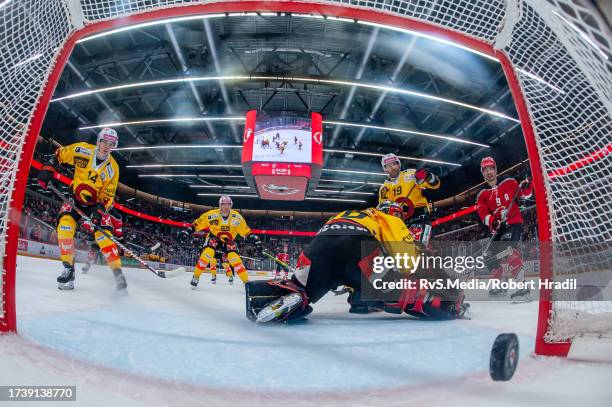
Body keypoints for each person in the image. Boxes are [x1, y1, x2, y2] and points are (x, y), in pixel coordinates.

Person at [245, 200, 468, 323]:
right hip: (357, 245)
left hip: (320, 245)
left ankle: (264, 298)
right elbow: (408, 261)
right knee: (407, 295)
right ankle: (450, 307)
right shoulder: (388, 218)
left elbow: (348, 268)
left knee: (300, 291)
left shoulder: (347, 213)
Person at [37, 128, 127, 291]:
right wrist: (48, 168)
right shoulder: (82, 150)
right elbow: (60, 154)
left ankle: (118, 273)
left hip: (96, 205)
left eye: (111, 144)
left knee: (104, 236)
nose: (107, 146)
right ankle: (68, 270)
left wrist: (99, 211)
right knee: (64, 226)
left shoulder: (113, 168)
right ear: (98, 141)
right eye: (105, 142)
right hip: (75, 199)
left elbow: (108, 195)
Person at [476, 156, 533, 299]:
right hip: (498, 230)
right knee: (488, 258)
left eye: (491, 169)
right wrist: (494, 222)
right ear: (482, 173)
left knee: (510, 252)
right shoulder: (481, 194)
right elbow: (483, 215)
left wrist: (527, 186)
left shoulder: (510, 182)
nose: (489, 172)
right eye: (485, 170)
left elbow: (526, 196)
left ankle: (523, 288)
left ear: (495, 169)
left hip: (513, 223)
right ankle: (501, 286)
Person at [181, 195, 263, 288]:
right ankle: (196, 277)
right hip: (214, 237)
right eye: (223, 204)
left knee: (234, 258)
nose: (226, 206)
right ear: (220, 205)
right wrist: (187, 231)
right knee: (207, 253)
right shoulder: (211, 215)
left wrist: (256, 241)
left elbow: (246, 232)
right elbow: (197, 224)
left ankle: (246, 282)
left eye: (228, 204)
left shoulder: (237, 217)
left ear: (231, 205)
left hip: (229, 240)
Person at [378, 153, 440, 245]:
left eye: (395, 164)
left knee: (418, 248)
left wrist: (428, 176)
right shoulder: (384, 188)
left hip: (420, 218)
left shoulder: (411, 174)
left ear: (399, 164)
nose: (393, 168)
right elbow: (384, 211)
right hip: (401, 225)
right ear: (385, 169)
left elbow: (436, 185)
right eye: (388, 166)